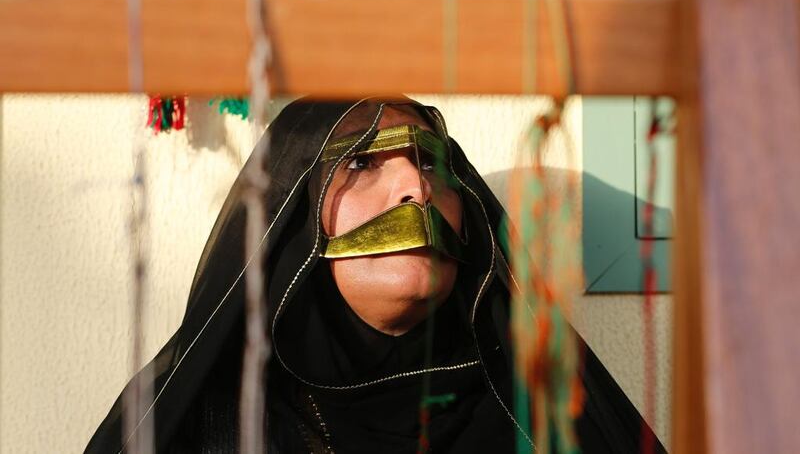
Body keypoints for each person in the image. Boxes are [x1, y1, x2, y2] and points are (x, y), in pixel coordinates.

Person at [86, 97, 664, 453]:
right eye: (361, 162)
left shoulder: (548, 419)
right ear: (295, 213)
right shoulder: (200, 427)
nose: (416, 188)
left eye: (432, 162)